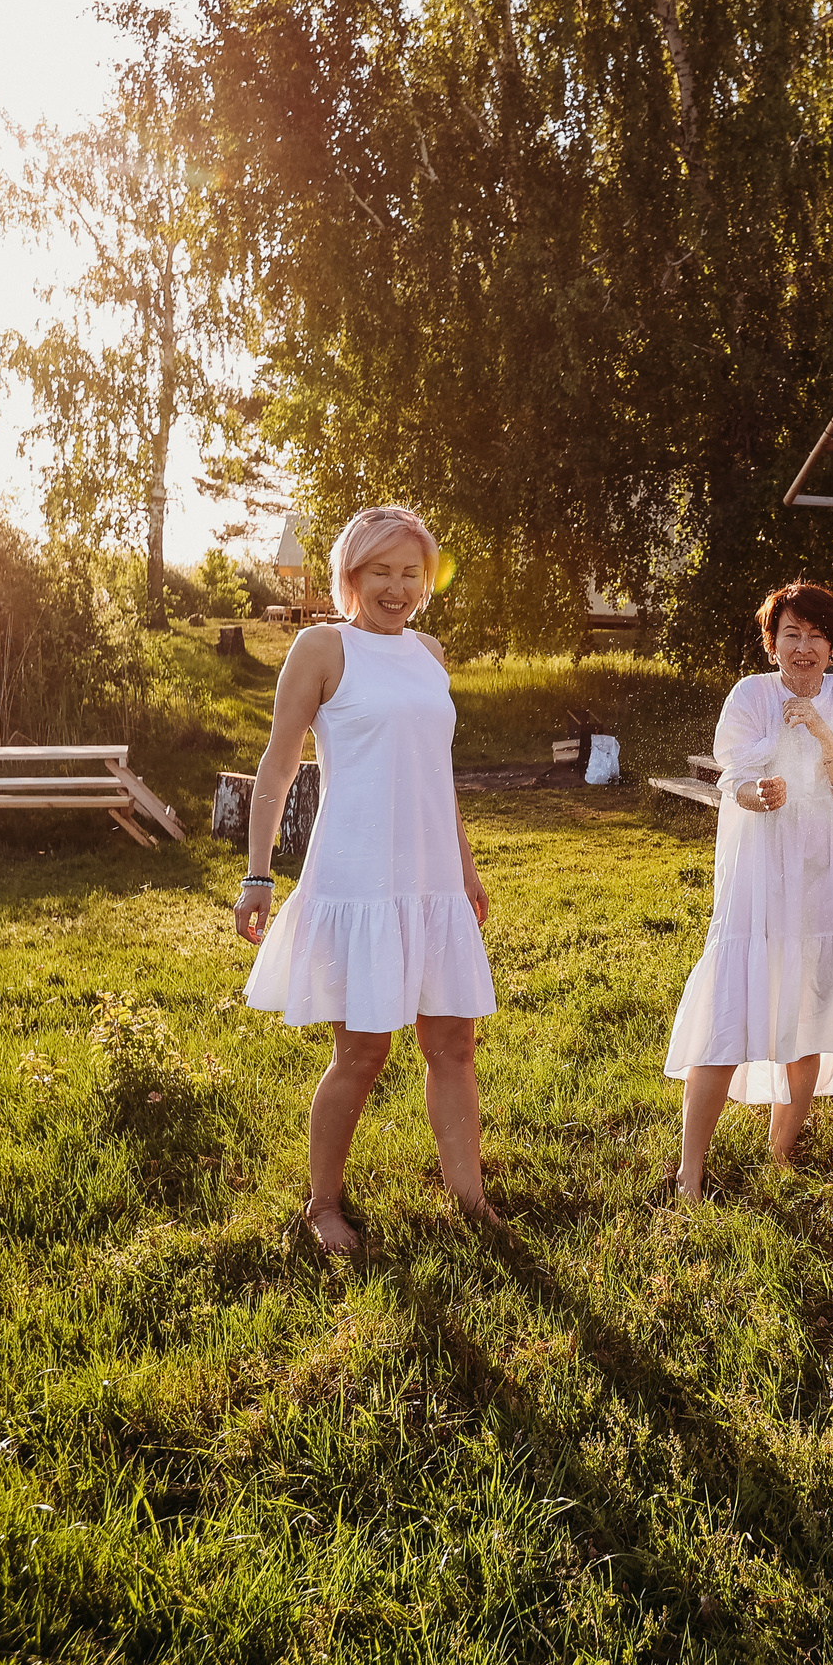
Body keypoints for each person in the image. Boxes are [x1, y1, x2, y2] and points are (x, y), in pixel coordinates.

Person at [235, 505, 500, 1252]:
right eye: (381, 571)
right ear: (350, 574)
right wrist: (258, 873)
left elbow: (437, 773)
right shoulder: (322, 647)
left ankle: (469, 1199)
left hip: (431, 878)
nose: (397, 587)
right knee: (361, 1052)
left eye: (411, 572)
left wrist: (464, 868)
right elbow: (279, 765)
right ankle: (323, 1205)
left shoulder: (432, 652)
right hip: (358, 876)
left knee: (453, 1044)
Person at [661, 583, 833, 1201]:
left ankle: (781, 1156)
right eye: (791, 633)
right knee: (728, 1011)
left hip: (828, 877)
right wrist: (754, 793)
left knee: (809, 1016)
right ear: (772, 644)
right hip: (760, 874)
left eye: (817, 635)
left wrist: (821, 731)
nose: (804, 647)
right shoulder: (749, 695)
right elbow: (733, 773)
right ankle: (690, 1169)